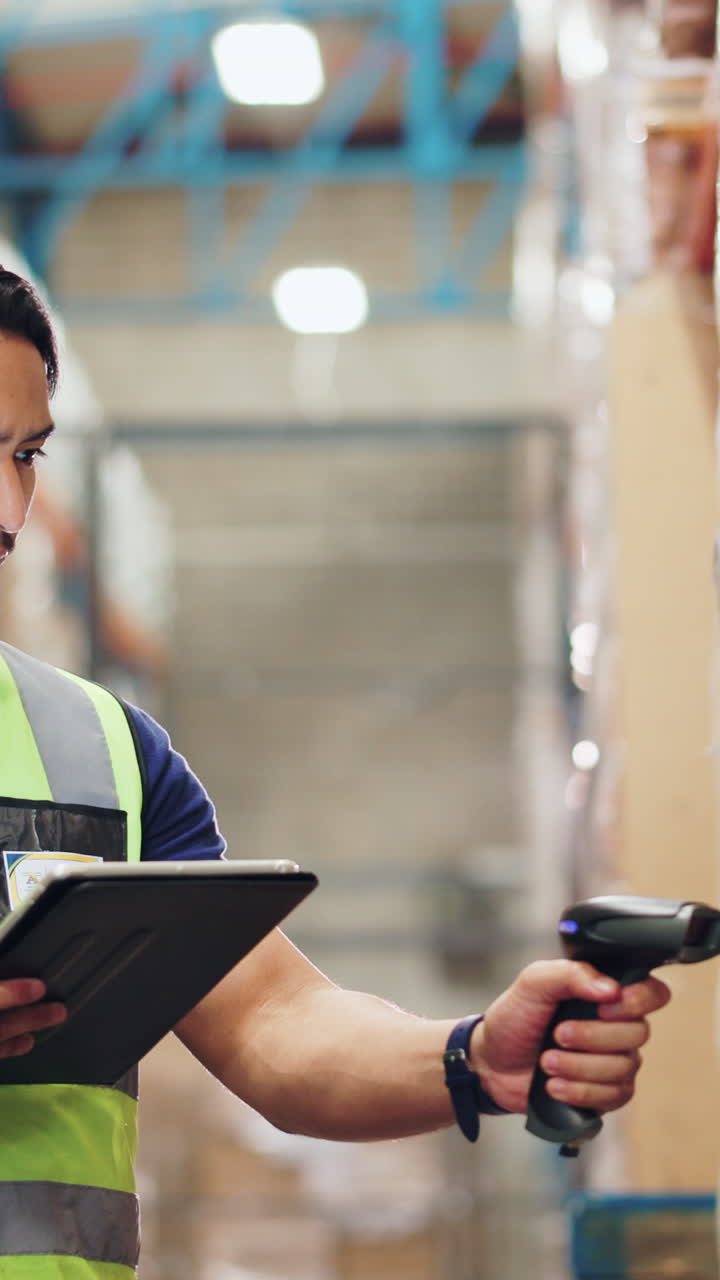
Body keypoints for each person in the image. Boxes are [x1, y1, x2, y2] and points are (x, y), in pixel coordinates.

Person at [0, 267, 670, 1277]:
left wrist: (474, 1054)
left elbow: (276, 1022)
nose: (11, 507)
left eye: (25, 454)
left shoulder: (101, 748)